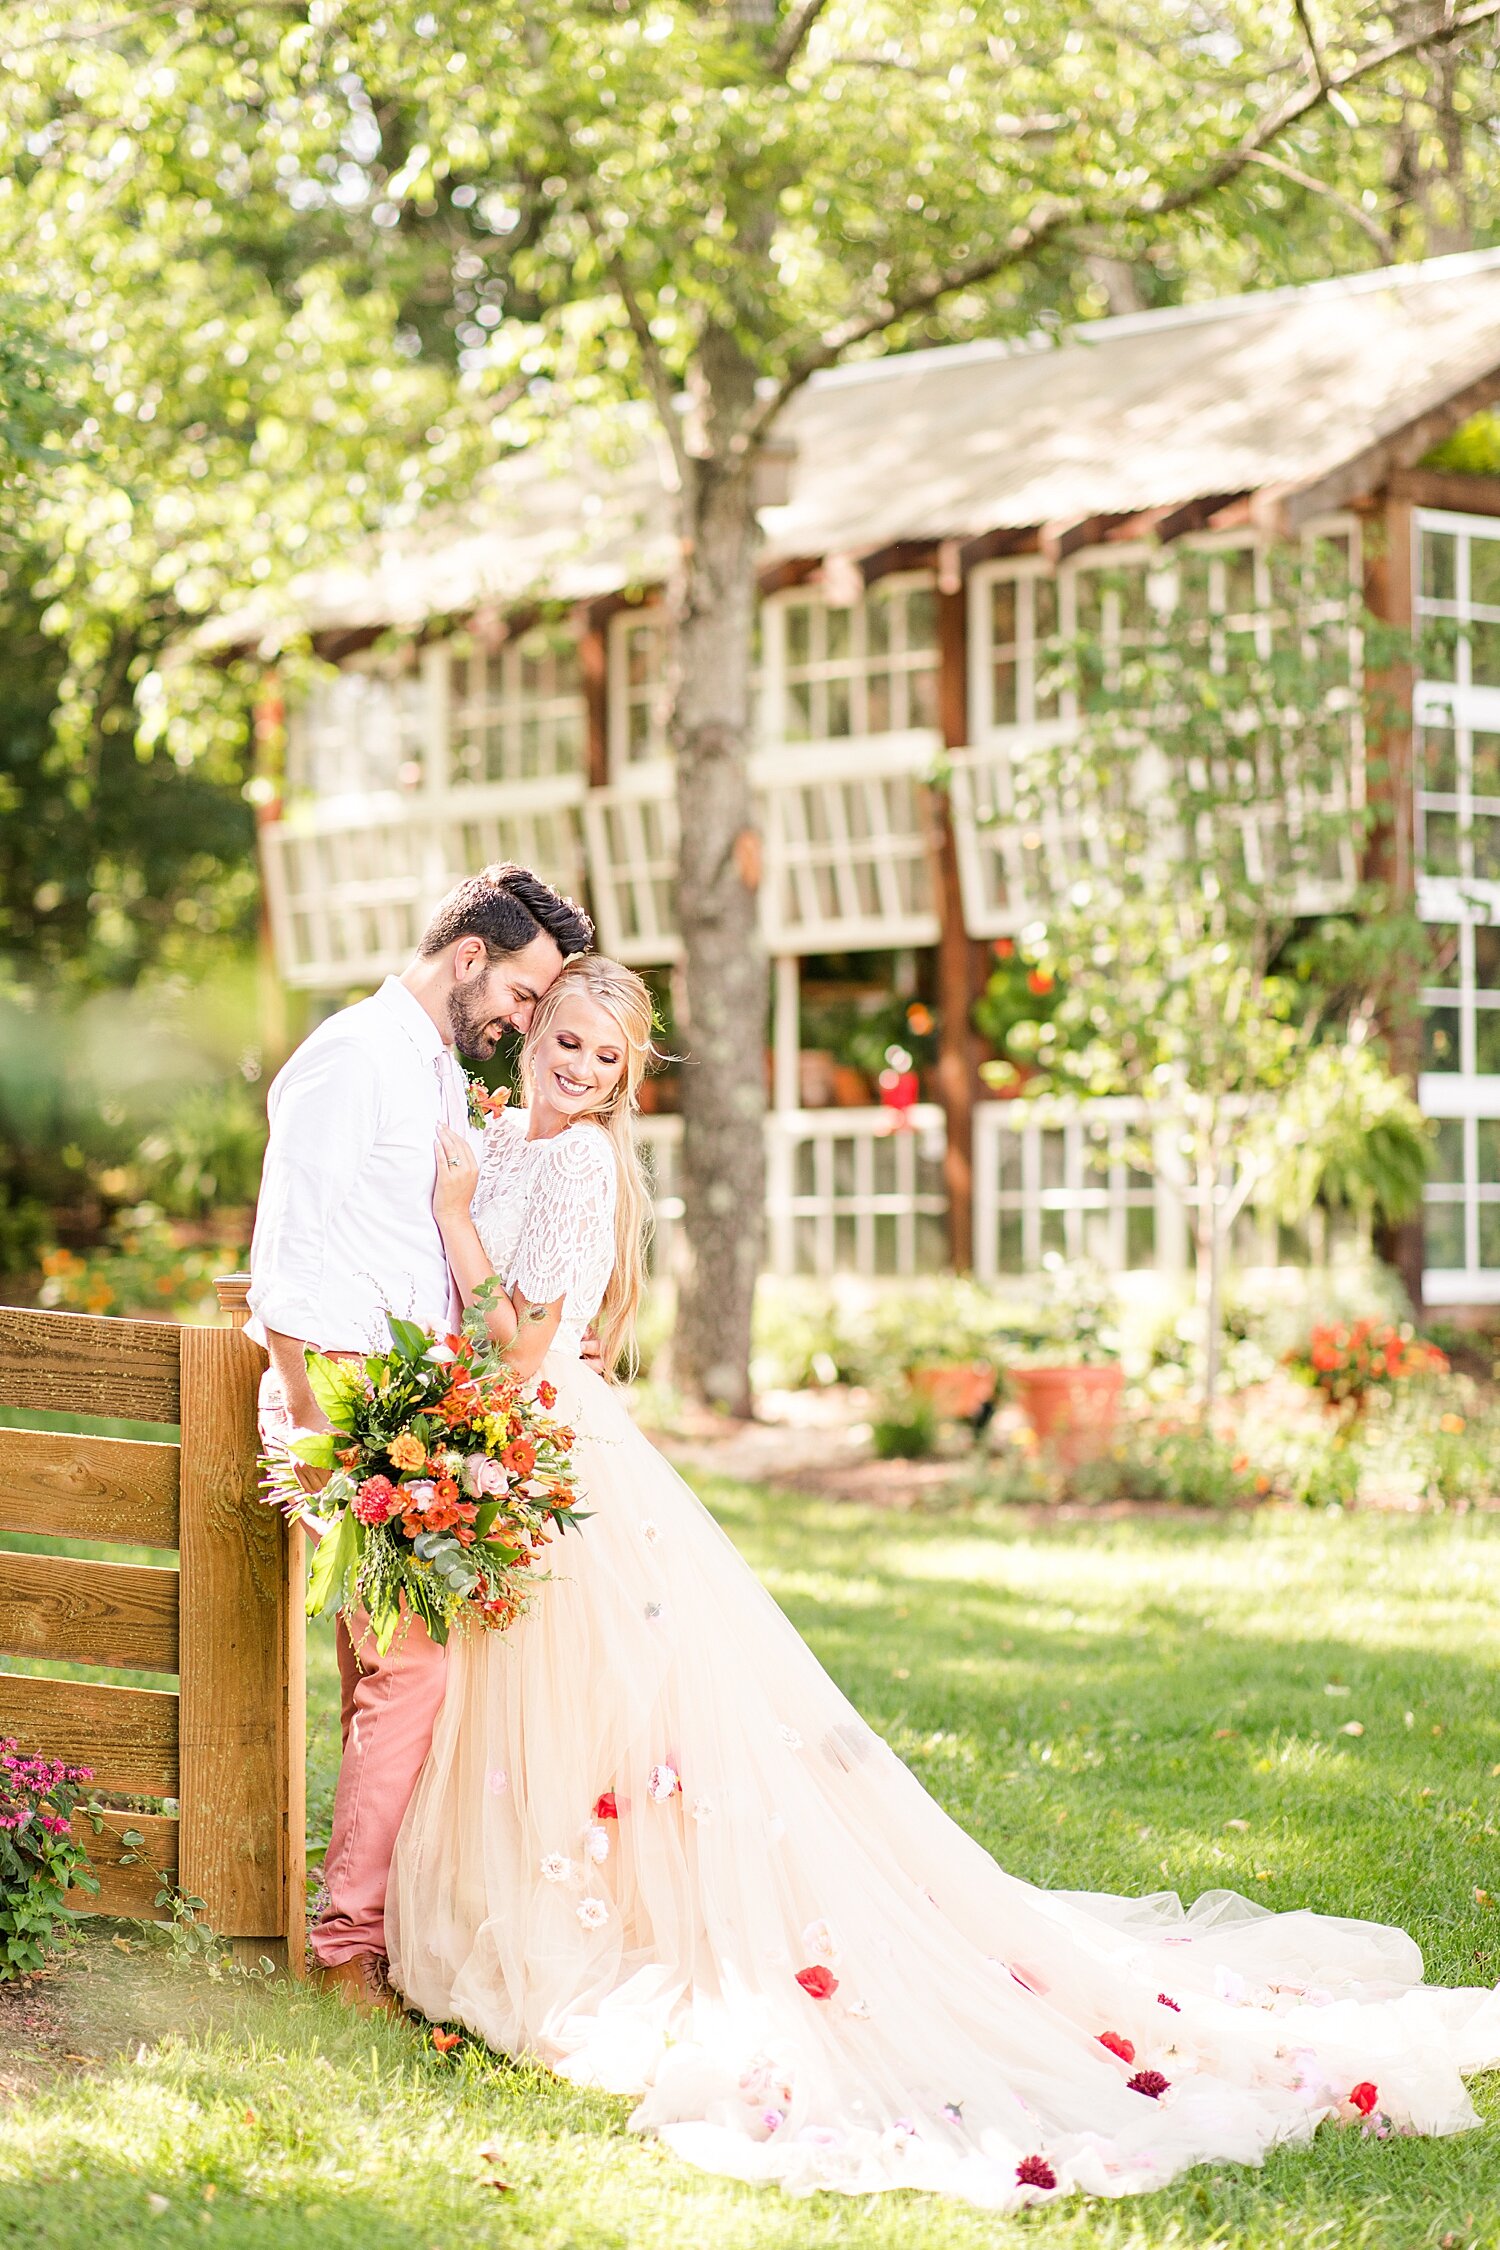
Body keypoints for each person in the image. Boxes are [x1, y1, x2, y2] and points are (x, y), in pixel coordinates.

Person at [388, 952, 1500, 2213]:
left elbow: (528, 1339)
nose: (580, 1068)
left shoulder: (578, 1170)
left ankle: (608, 1935)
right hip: (506, 1449)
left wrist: (457, 1220)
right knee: (547, 1714)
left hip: (555, 1449)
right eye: (569, 1039)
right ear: (530, 1029)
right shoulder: (498, 1134)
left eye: (606, 1057)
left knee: (614, 1709)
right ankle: (542, 1910)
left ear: (627, 1078)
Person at [248, 862, 593, 2009]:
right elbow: (287, 1262)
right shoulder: (351, 1061)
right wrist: (317, 1430)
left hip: (411, 1406)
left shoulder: (437, 1071)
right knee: (412, 1670)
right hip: (342, 1404)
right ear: (468, 959)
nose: (526, 1021)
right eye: (526, 996)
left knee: (382, 1676)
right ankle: (349, 1946)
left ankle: (360, 1926)